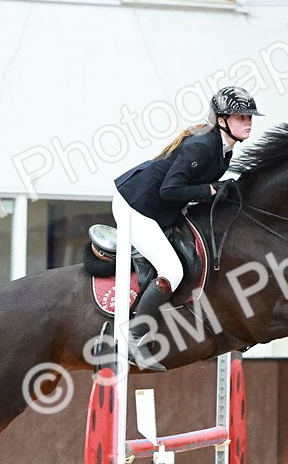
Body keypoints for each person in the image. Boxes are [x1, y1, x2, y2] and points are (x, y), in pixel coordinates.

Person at [112, 85, 263, 371]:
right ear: (222, 120)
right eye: (241, 117)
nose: (248, 122)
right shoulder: (203, 146)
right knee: (172, 270)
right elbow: (170, 190)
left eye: (249, 117)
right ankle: (133, 335)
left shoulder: (223, 149)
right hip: (135, 206)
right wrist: (210, 190)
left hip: (158, 208)